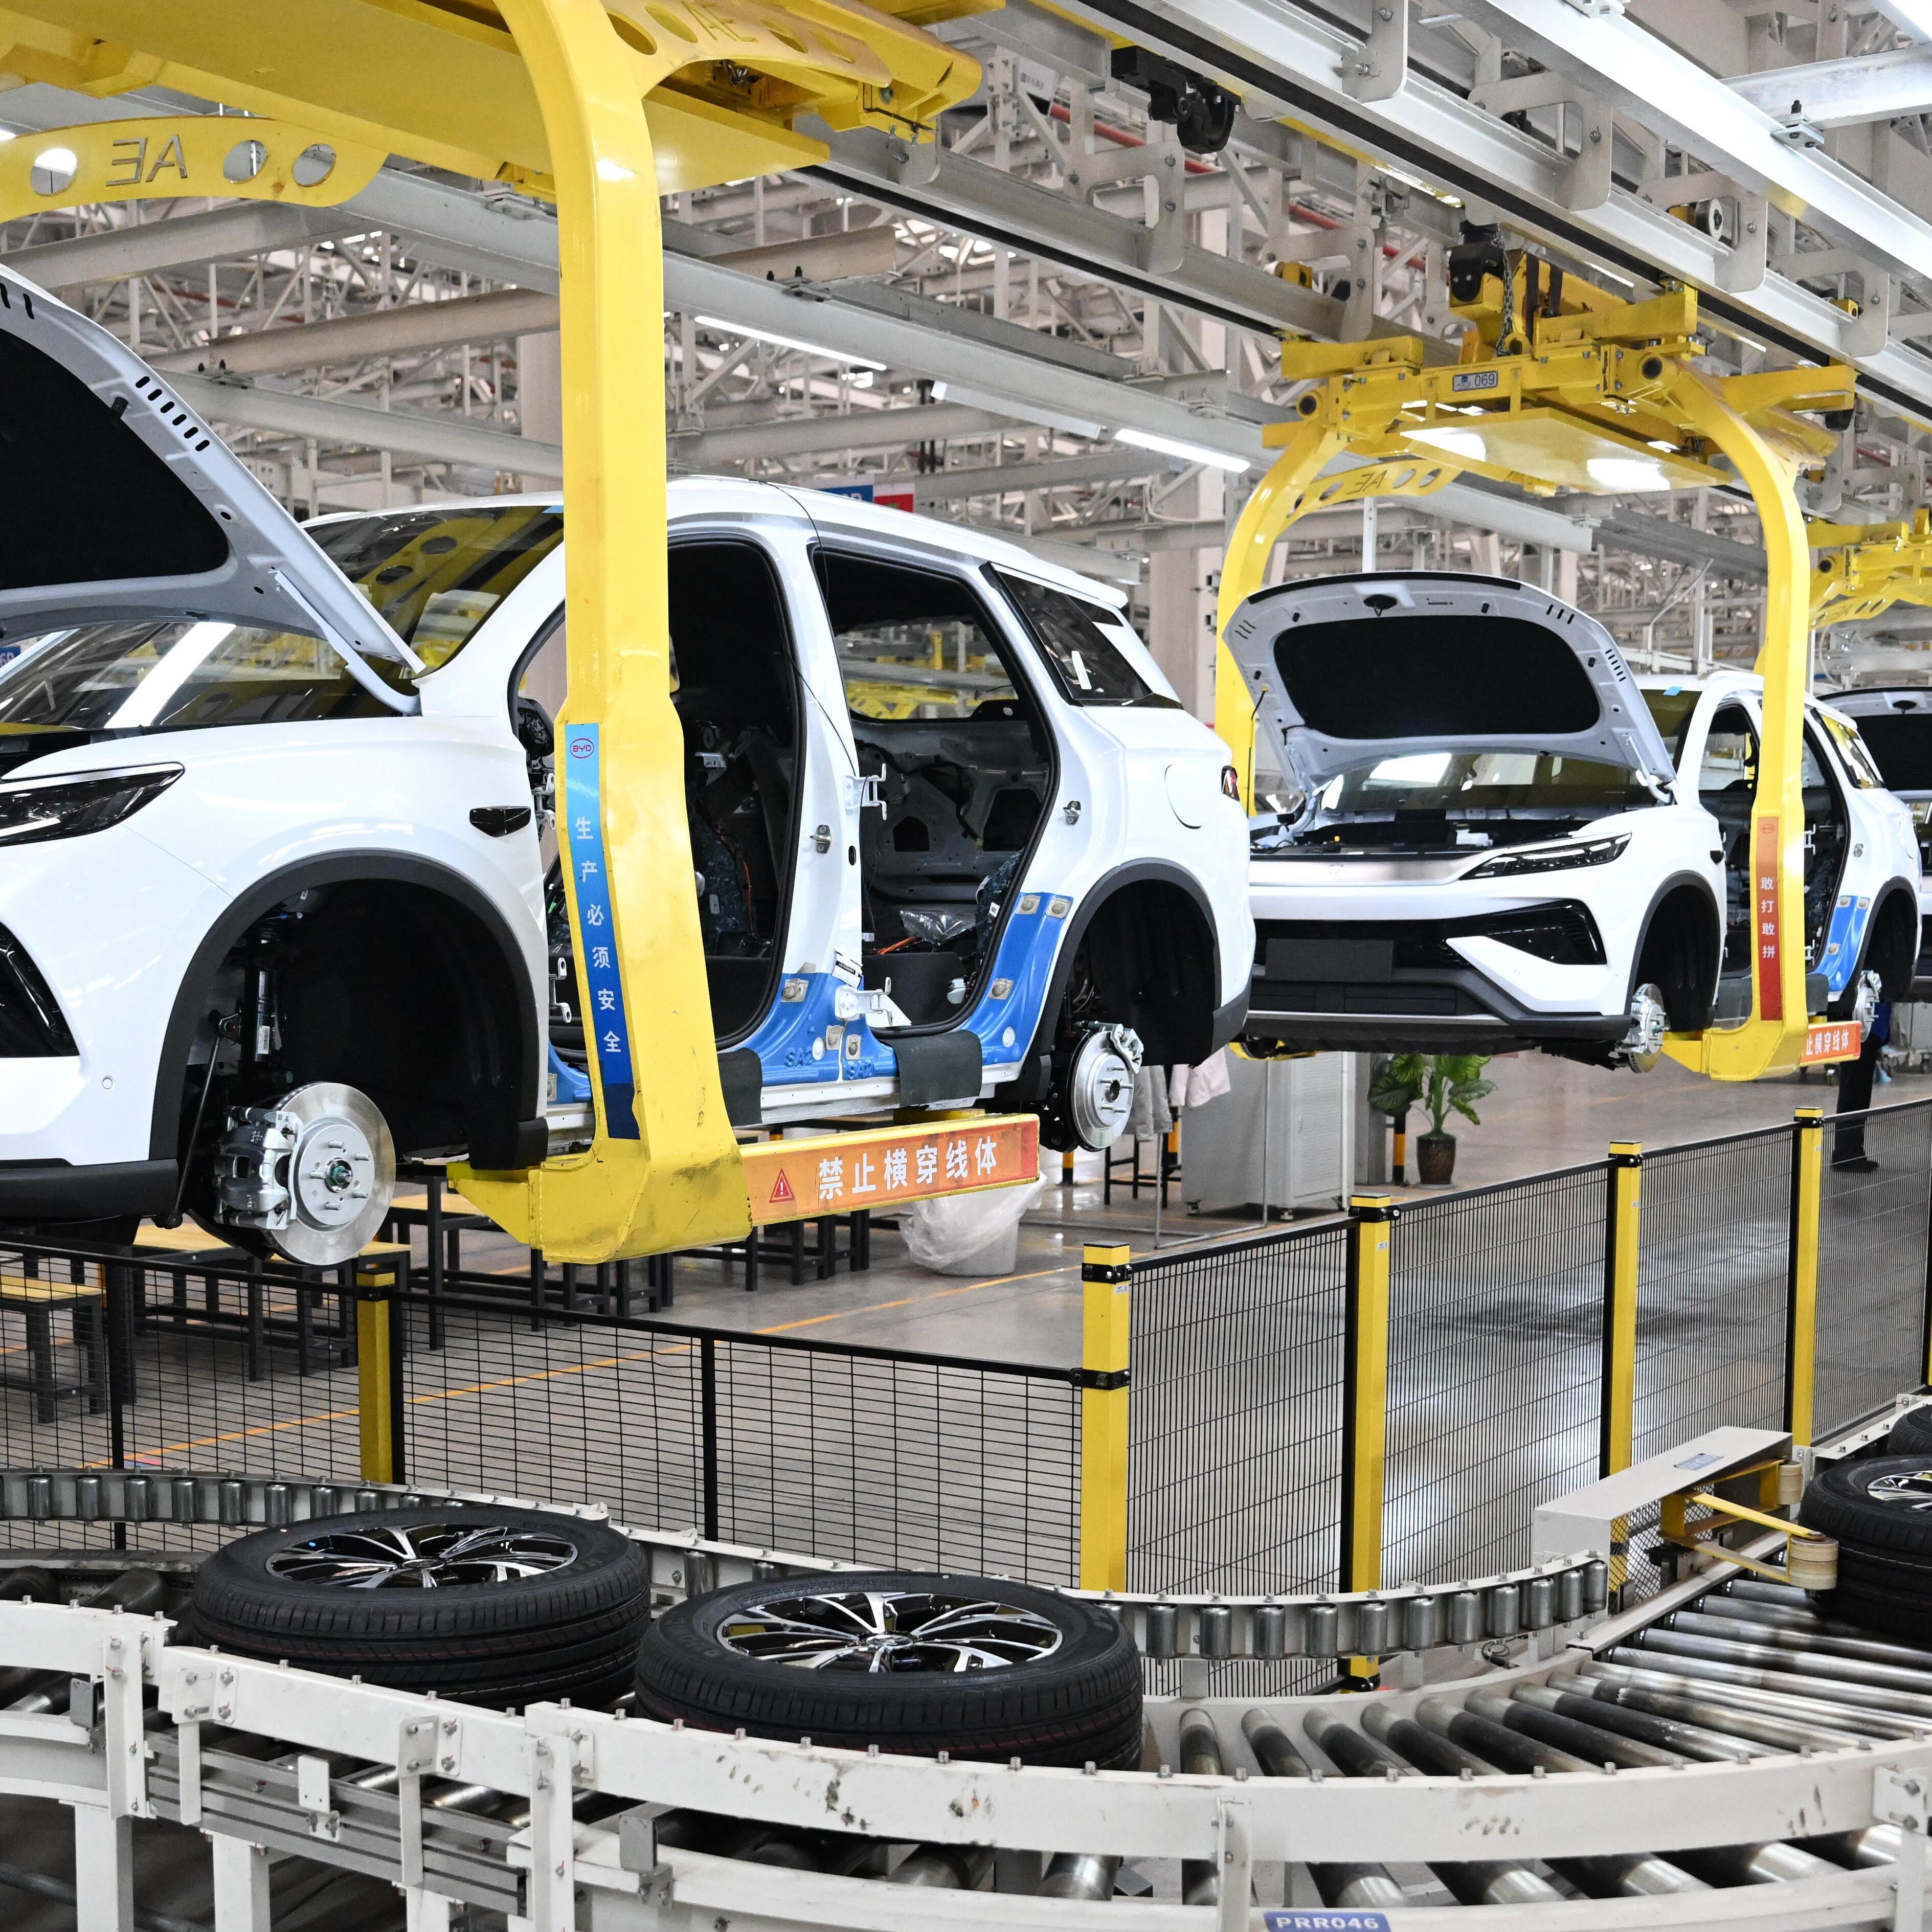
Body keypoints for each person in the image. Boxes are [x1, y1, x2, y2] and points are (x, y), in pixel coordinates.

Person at [1831, 999, 1890, 1172]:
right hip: (1862, 1024)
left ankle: (1853, 1151)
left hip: (1867, 1025)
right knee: (1855, 1094)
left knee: (1860, 1095)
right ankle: (1846, 1155)